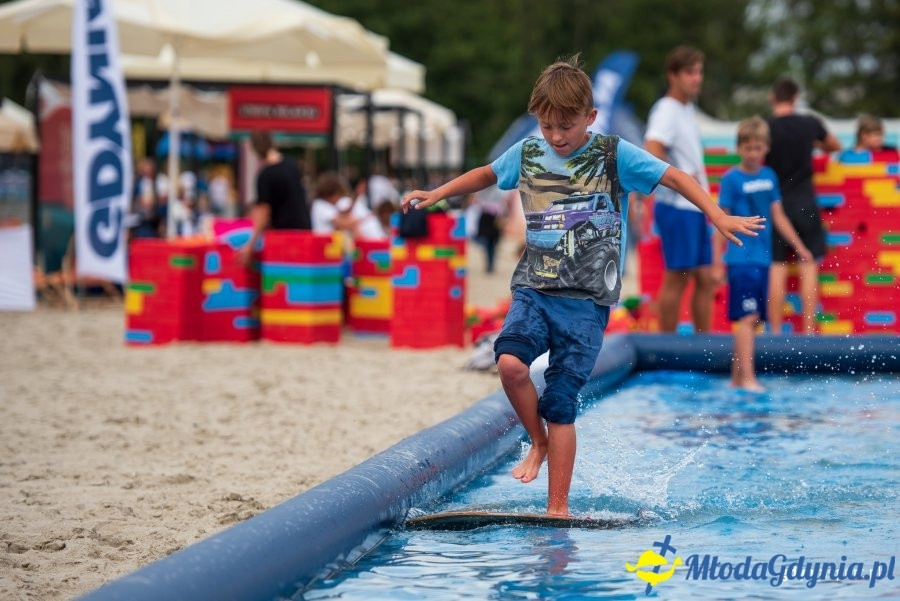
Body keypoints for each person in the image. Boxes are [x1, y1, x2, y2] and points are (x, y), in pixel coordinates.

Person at [401, 56, 764, 517]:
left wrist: (715, 213)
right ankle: (538, 442)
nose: (557, 136)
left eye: (567, 126)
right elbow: (487, 175)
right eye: (548, 125)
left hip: (586, 305)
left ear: (590, 117)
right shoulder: (529, 153)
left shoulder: (613, 155)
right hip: (533, 290)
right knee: (510, 364)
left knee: (559, 400)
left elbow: (673, 176)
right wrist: (437, 193)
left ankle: (559, 507)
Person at [715, 116, 813, 392]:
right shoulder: (731, 179)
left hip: (762, 258)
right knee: (746, 319)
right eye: (748, 148)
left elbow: (778, 216)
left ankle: (736, 378)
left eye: (758, 148)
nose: (753, 154)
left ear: (766, 148)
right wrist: (717, 260)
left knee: (755, 318)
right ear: (739, 148)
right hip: (739, 259)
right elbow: (721, 220)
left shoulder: (769, 176)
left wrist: (799, 246)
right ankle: (748, 378)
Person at [643, 45, 716, 333]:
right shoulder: (666, 109)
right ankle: (666, 347)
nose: (697, 78)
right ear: (672, 75)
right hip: (677, 205)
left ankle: (703, 345)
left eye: (699, 72)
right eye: (690, 72)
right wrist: (677, 181)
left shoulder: (686, 109)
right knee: (678, 277)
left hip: (693, 207)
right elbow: (652, 149)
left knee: (706, 278)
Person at [765, 77, 841, 334]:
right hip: (806, 202)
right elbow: (835, 145)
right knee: (808, 264)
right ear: (795, 98)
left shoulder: (766, 127)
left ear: (772, 98)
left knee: (777, 267)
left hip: (776, 205)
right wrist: (813, 143)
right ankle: (808, 333)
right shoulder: (809, 123)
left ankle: (774, 334)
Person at [238, 131, 311, 265]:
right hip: (304, 230)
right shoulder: (292, 165)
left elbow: (263, 214)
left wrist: (250, 245)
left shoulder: (265, 175)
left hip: (283, 236)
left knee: (281, 281)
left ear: (255, 149)